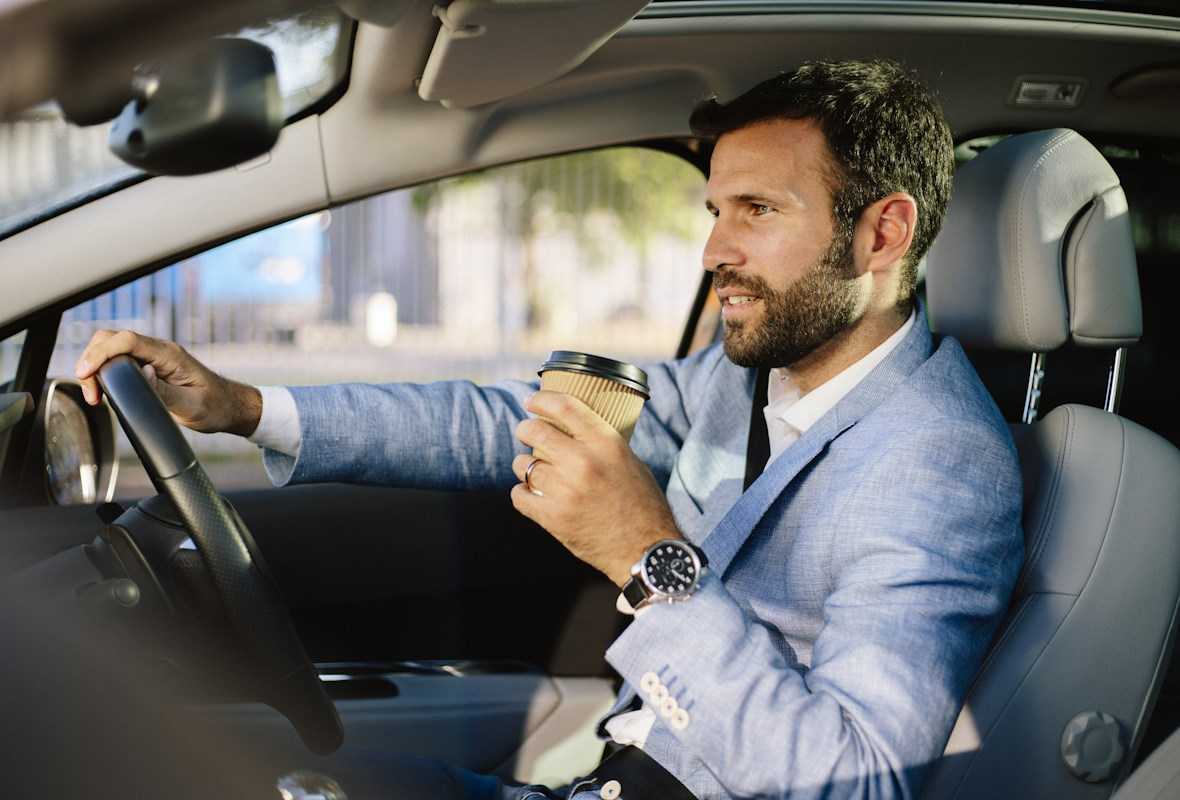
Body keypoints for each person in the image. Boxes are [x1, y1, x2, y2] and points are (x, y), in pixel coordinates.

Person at [74, 60, 1023, 800]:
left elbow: (851, 777)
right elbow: (505, 422)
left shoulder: (937, 462)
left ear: (883, 235)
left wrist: (648, 560)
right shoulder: (755, 379)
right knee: (201, 764)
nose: (714, 252)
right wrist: (245, 407)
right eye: (714, 212)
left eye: (758, 212)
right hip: (599, 780)